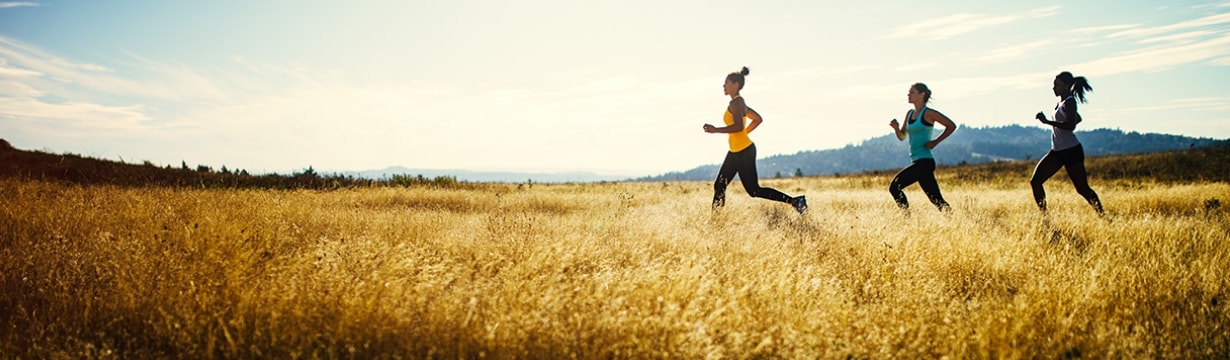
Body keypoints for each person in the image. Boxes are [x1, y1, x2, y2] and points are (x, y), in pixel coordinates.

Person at [704, 66, 808, 215]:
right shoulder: (739, 103)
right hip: (735, 151)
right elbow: (757, 119)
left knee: (753, 190)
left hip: (743, 151)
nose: (723, 86)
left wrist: (716, 130)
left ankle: (795, 201)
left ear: (735, 85)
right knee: (719, 185)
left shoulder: (736, 103)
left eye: (726, 83)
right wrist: (743, 133)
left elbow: (739, 126)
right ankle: (716, 221)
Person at [1029, 71, 1104, 215]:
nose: (1053, 88)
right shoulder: (1062, 102)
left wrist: (1047, 122)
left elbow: (1071, 125)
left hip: (1071, 151)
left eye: (1057, 85)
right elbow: (1077, 119)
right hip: (1057, 151)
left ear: (1066, 86)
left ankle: (1104, 217)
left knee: (1082, 189)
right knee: (1035, 181)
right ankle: (1045, 218)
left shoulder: (1070, 101)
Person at [887, 83, 956, 212]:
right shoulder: (909, 114)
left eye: (912, 92)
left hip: (925, 162)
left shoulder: (929, 113)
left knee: (894, 187)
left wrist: (935, 141)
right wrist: (896, 128)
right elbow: (902, 137)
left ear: (922, 94)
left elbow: (951, 125)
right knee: (936, 200)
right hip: (917, 161)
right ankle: (955, 220)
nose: (908, 95)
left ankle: (906, 218)